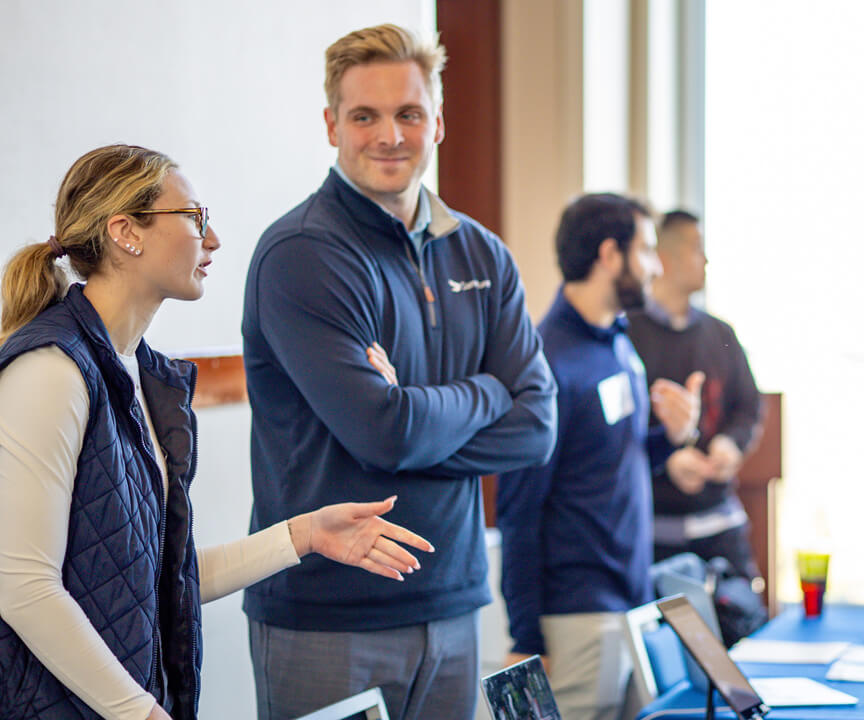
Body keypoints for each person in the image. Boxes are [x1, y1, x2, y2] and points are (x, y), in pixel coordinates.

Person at [0, 144, 434, 720]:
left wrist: (305, 534)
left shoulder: (135, 372)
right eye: (195, 217)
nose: (214, 239)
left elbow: (158, 576)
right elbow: (23, 587)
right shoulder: (51, 370)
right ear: (126, 232)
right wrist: (142, 712)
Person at [240, 24, 556, 720]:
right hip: (327, 614)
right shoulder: (301, 255)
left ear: (436, 122)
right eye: (365, 116)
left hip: (454, 605)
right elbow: (386, 436)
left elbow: (535, 430)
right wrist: (486, 391)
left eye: (408, 113)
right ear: (332, 126)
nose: (389, 135)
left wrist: (413, 412)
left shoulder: (481, 254)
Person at [497, 194, 699, 720]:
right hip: (574, 619)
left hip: (629, 607)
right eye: (647, 250)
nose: (656, 266)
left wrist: (671, 437)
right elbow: (519, 510)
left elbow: (612, 457)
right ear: (611, 255)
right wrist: (525, 636)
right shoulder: (547, 364)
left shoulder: (617, 342)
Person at [625, 209, 763, 580]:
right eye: (696, 248)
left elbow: (749, 407)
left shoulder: (721, 334)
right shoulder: (627, 334)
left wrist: (731, 445)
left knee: (742, 620)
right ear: (665, 259)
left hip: (720, 522)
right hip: (652, 531)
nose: (705, 260)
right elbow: (616, 428)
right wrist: (667, 458)